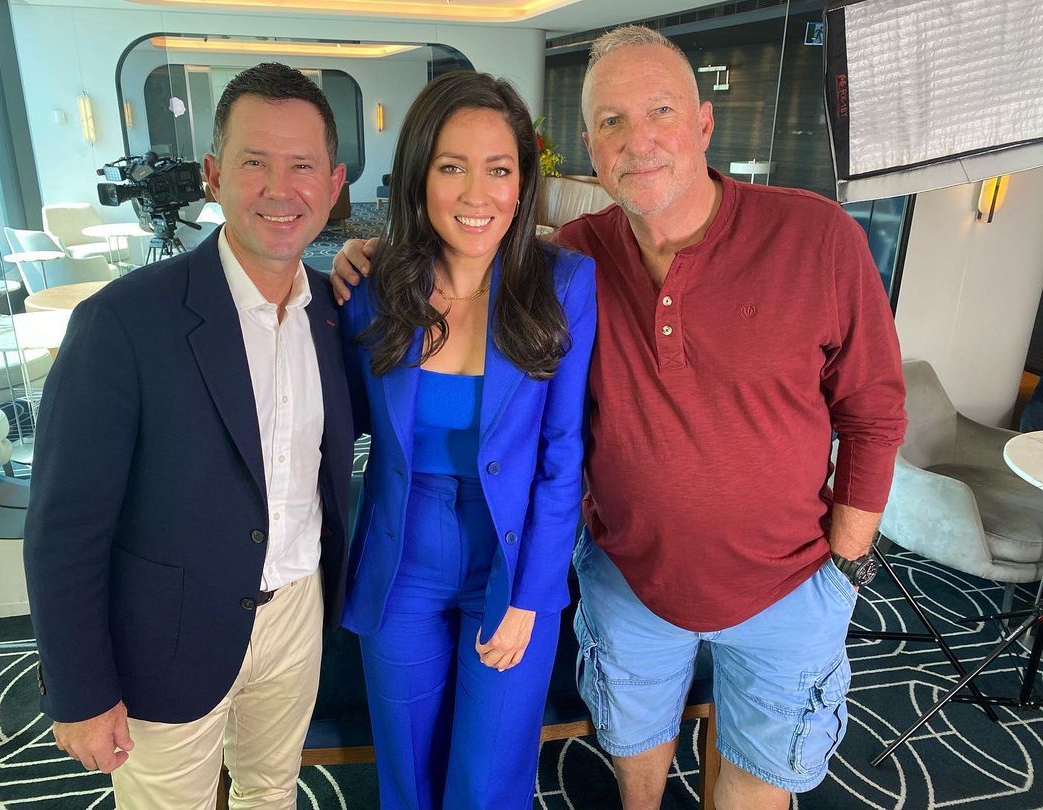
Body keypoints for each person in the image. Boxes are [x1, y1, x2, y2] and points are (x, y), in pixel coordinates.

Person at [331, 25, 906, 810]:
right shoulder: (575, 258)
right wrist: (365, 254)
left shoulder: (810, 236)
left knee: (752, 789)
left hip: (788, 584)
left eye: (660, 111)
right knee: (628, 774)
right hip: (630, 581)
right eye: (612, 121)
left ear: (704, 122)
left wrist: (845, 567)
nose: (639, 141)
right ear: (590, 149)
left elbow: (875, 411)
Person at [23, 62, 355, 809]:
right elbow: (64, 528)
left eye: (302, 166)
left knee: (271, 791)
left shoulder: (336, 313)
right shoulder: (122, 322)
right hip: (166, 632)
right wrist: (79, 689)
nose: (280, 189)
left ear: (334, 185)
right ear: (213, 174)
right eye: (254, 162)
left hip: (297, 611)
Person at [338, 71, 595, 810]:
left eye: (499, 170)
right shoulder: (371, 287)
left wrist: (531, 597)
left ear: (523, 182)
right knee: (408, 774)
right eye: (452, 167)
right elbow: (337, 417)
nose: (477, 194)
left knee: (488, 780)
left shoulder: (564, 284)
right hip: (402, 560)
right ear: (420, 175)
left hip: (510, 563)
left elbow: (562, 457)